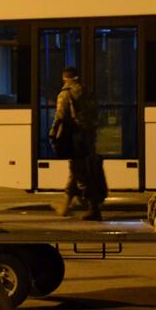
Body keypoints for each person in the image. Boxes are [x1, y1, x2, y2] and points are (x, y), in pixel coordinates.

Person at [50, 66, 106, 220]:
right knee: (77, 169)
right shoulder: (87, 92)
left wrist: (53, 133)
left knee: (80, 172)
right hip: (89, 137)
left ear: (65, 78)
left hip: (75, 139)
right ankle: (66, 206)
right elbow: (96, 114)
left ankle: (93, 208)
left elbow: (60, 116)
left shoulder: (65, 94)